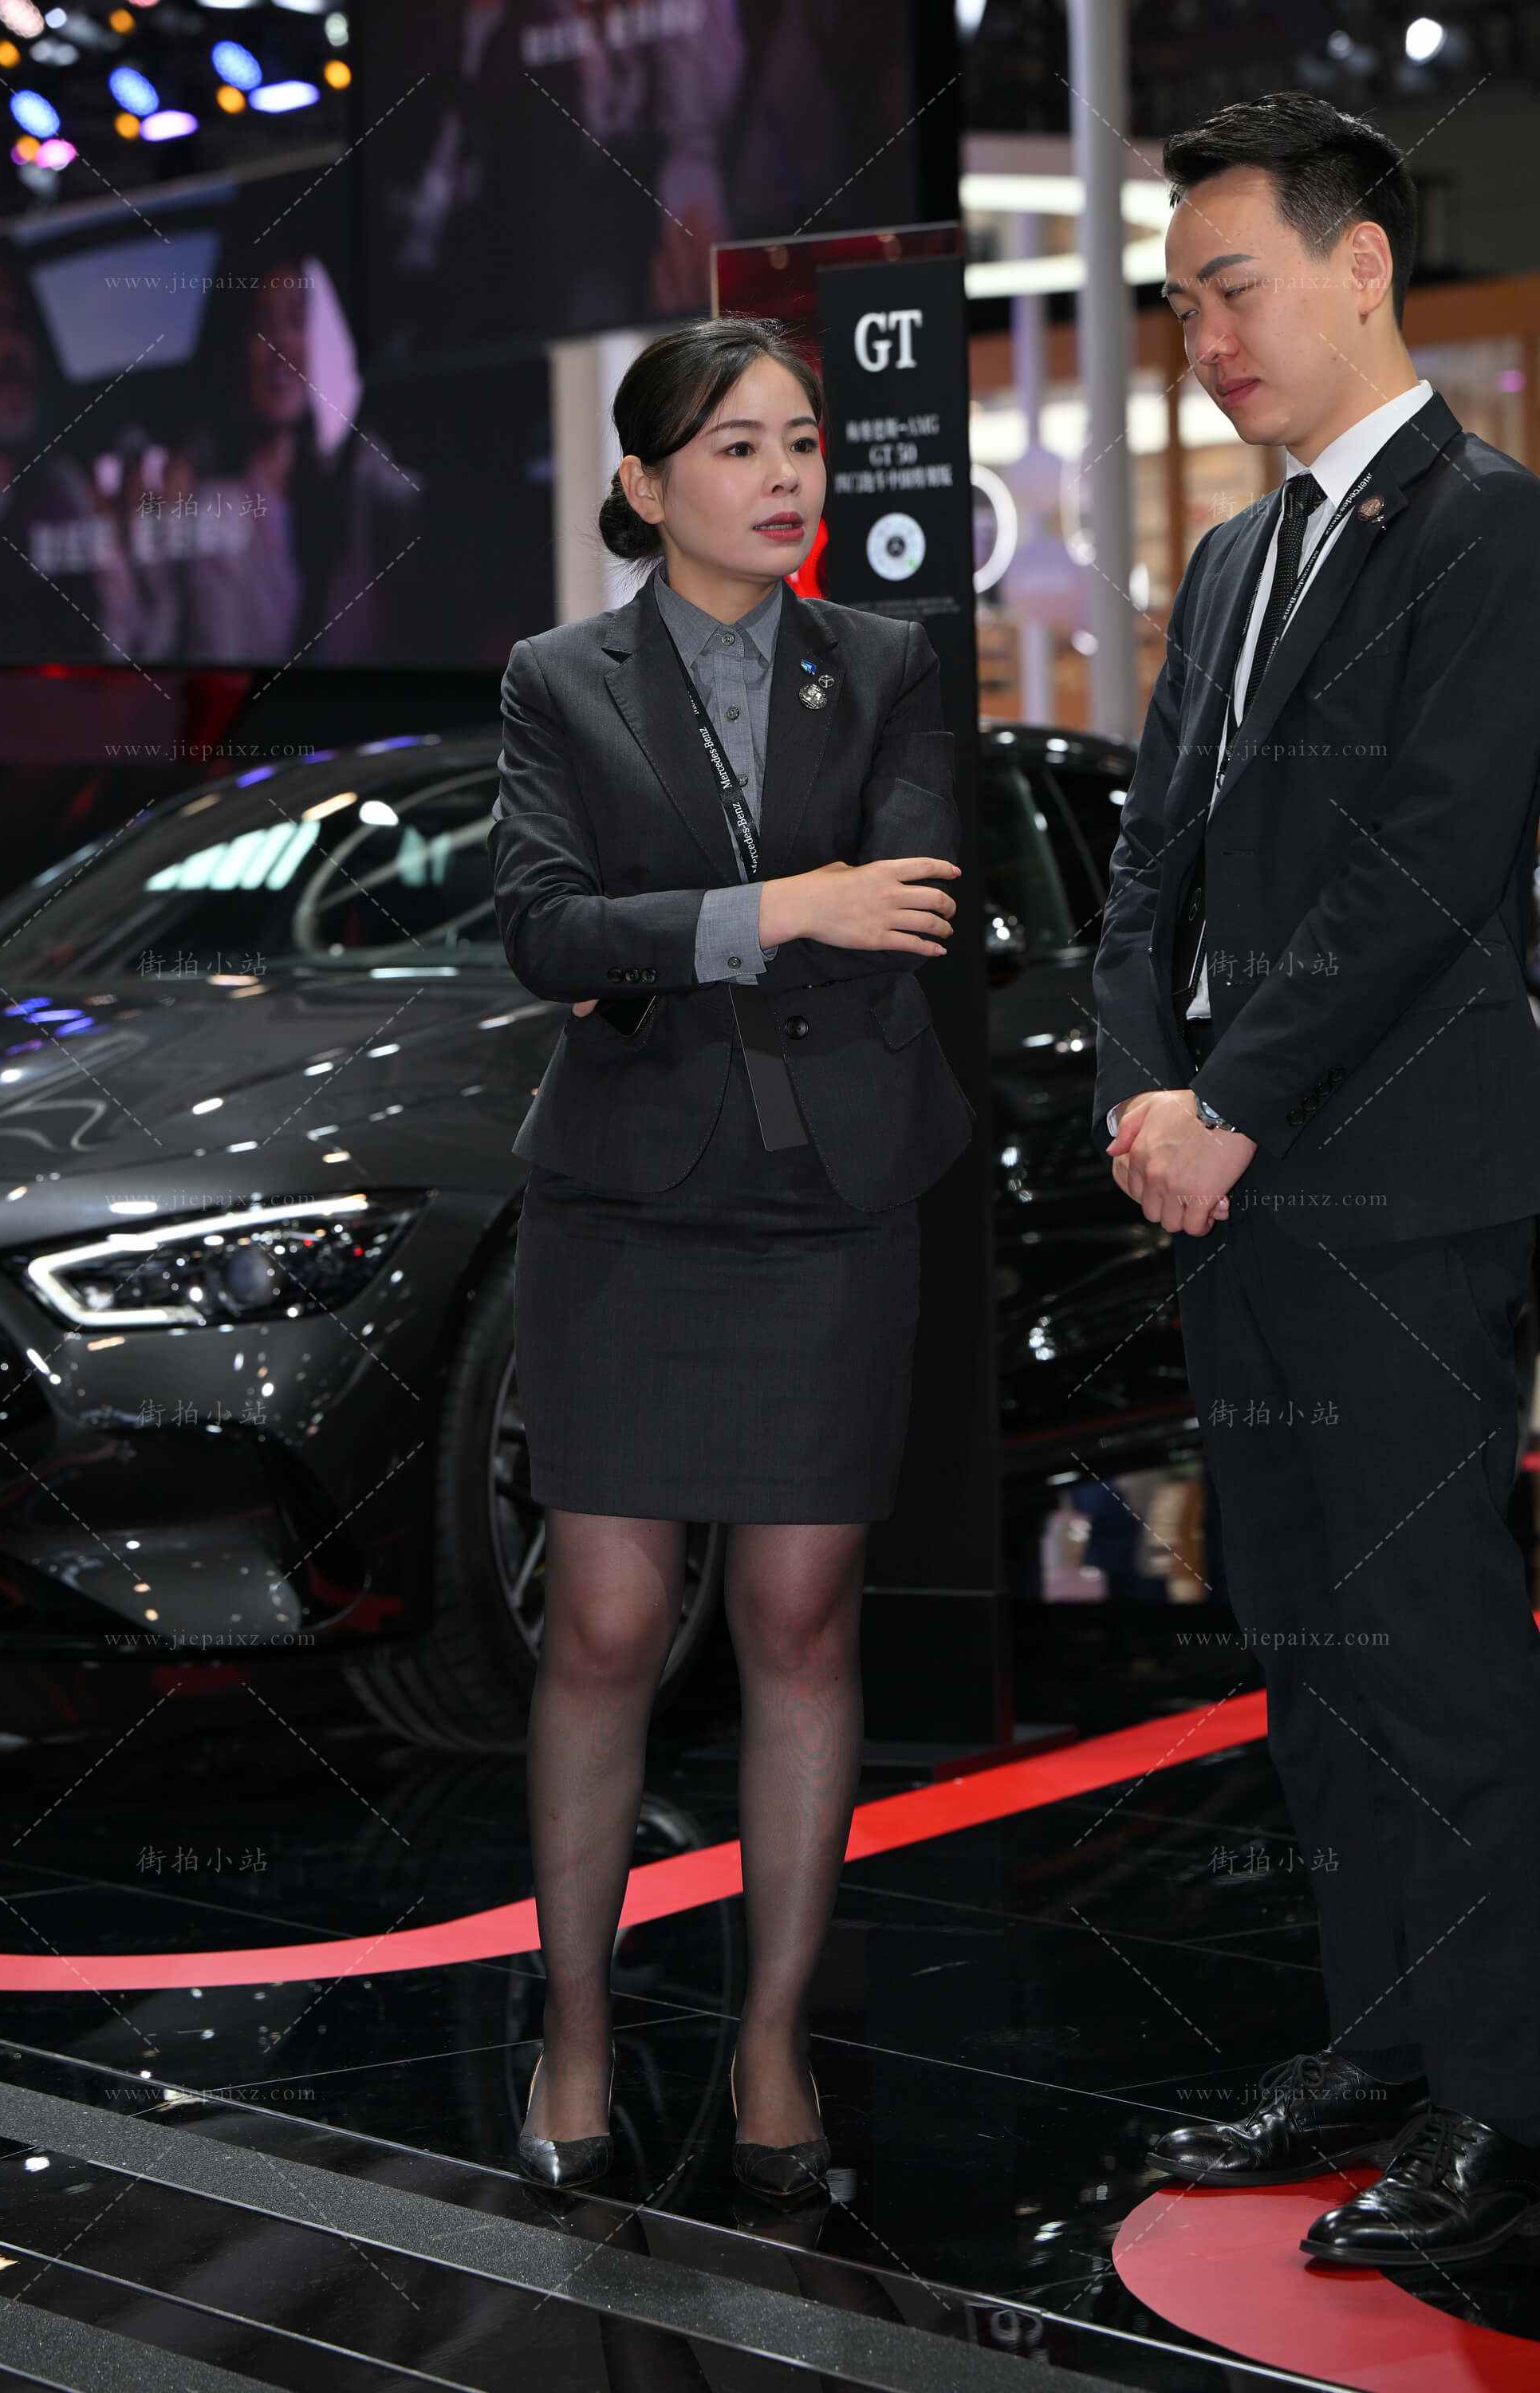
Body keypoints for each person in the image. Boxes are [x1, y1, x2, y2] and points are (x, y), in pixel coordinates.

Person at [1091, 91, 1540, 2266]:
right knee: (1304, 1650)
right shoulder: (1231, 558)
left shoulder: (1491, 530)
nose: (1206, 340)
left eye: (1233, 288)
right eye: (1182, 303)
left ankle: (1503, 2100)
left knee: (1434, 1657)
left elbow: (1425, 870)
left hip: (1399, 1199)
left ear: (1362, 266)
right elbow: (1147, 870)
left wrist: (1230, 1101)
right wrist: (1137, 1094)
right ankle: (1376, 2041)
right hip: (1232, 1194)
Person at [488, 313, 975, 2198]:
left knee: (799, 1622)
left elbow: (908, 907)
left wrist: (680, 931)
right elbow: (544, 931)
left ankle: (774, 2048)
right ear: (643, 481)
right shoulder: (558, 679)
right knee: (604, 1628)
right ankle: (578, 2035)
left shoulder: (890, 662)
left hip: (834, 1202)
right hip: (624, 1206)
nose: (784, 479)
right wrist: (788, 902)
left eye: (803, 443)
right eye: (737, 446)